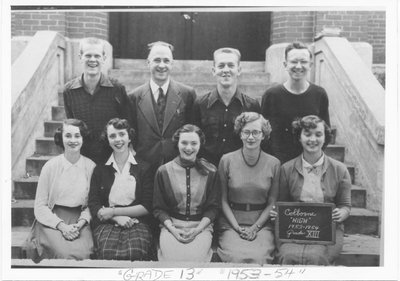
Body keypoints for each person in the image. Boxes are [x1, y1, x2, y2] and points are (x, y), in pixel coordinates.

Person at [273, 115, 351, 265]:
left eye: (318, 134)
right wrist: (277, 213)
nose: (312, 139)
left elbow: (345, 205)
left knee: (317, 257)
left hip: (327, 231)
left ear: (325, 137)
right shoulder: (286, 169)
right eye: (307, 134)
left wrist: (341, 213)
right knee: (288, 256)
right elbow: (281, 204)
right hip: (294, 231)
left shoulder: (339, 170)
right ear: (299, 137)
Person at [26, 119, 95, 262]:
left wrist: (81, 223)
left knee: (84, 254)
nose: (73, 140)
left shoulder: (90, 167)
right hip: (52, 218)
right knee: (62, 255)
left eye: (77, 136)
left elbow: (92, 204)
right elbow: (40, 206)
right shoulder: (50, 167)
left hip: (80, 220)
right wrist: (62, 226)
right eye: (68, 135)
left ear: (83, 139)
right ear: (61, 138)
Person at [217, 112, 280, 264]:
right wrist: (237, 228)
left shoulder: (274, 164)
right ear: (240, 134)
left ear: (263, 135)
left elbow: (272, 201)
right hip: (231, 223)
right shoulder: (226, 160)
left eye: (256, 132)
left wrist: (255, 228)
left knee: (259, 258)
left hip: (262, 225)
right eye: (246, 132)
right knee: (236, 258)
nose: (250, 137)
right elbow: (222, 200)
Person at [88, 118, 154, 261]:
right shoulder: (100, 169)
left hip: (137, 222)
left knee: (136, 253)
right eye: (112, 136)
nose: (118, 139)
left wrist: (113, 211)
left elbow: (147, 206)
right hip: (107, 222)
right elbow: (94, 204)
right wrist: (115, 217)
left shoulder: (144, 168)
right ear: (108, 140)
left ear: (129, 137)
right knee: (107, 252)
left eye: (122, 134)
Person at [153, 124, 219, 262]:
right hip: (171, 226)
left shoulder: (210, 172)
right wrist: (173, 230)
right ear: (177, 144)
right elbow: (158, 208)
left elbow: (213, 208)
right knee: (172, 260)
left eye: (194, 143)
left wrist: (198, 230)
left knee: (195, 259)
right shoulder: (163, 171)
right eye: (184, 143)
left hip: (201, 226)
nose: (189, 148)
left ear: (200, 145)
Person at [63, 37, 131, 164]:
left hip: (111, 159)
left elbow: (127, 124)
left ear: (104, 58)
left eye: (97, 56)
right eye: (88, 55)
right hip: (82, 159)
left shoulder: (117, 89)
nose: (93, 60)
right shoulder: (69, 90)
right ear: (80, 57)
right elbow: (72, 126)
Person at [128, 41, 196, 168]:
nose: (162, 65)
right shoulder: (134, 97)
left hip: (177, 166)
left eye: (166, 61)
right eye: (157, 60)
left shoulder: (187, 94)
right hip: (145, 167)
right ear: (148, 63)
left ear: (172, 64)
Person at [261, 42, 330, 164]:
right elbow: (263, 133)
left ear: (310, 65)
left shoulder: (319, 94)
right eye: (293, 62)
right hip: (278, 165)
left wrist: (312, 158)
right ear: (285, 64)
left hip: (308, 164)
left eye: (303, 62)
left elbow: (326, 132)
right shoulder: (272, 95)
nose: (298, 66)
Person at [193, 47, 260, 166]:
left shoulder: (251, 105)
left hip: (239, 171)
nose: (226, 70)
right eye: (221, 66)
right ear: (213, 70)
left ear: (239, 70)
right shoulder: (200, 104)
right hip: (206, 171)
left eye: (231, 65)